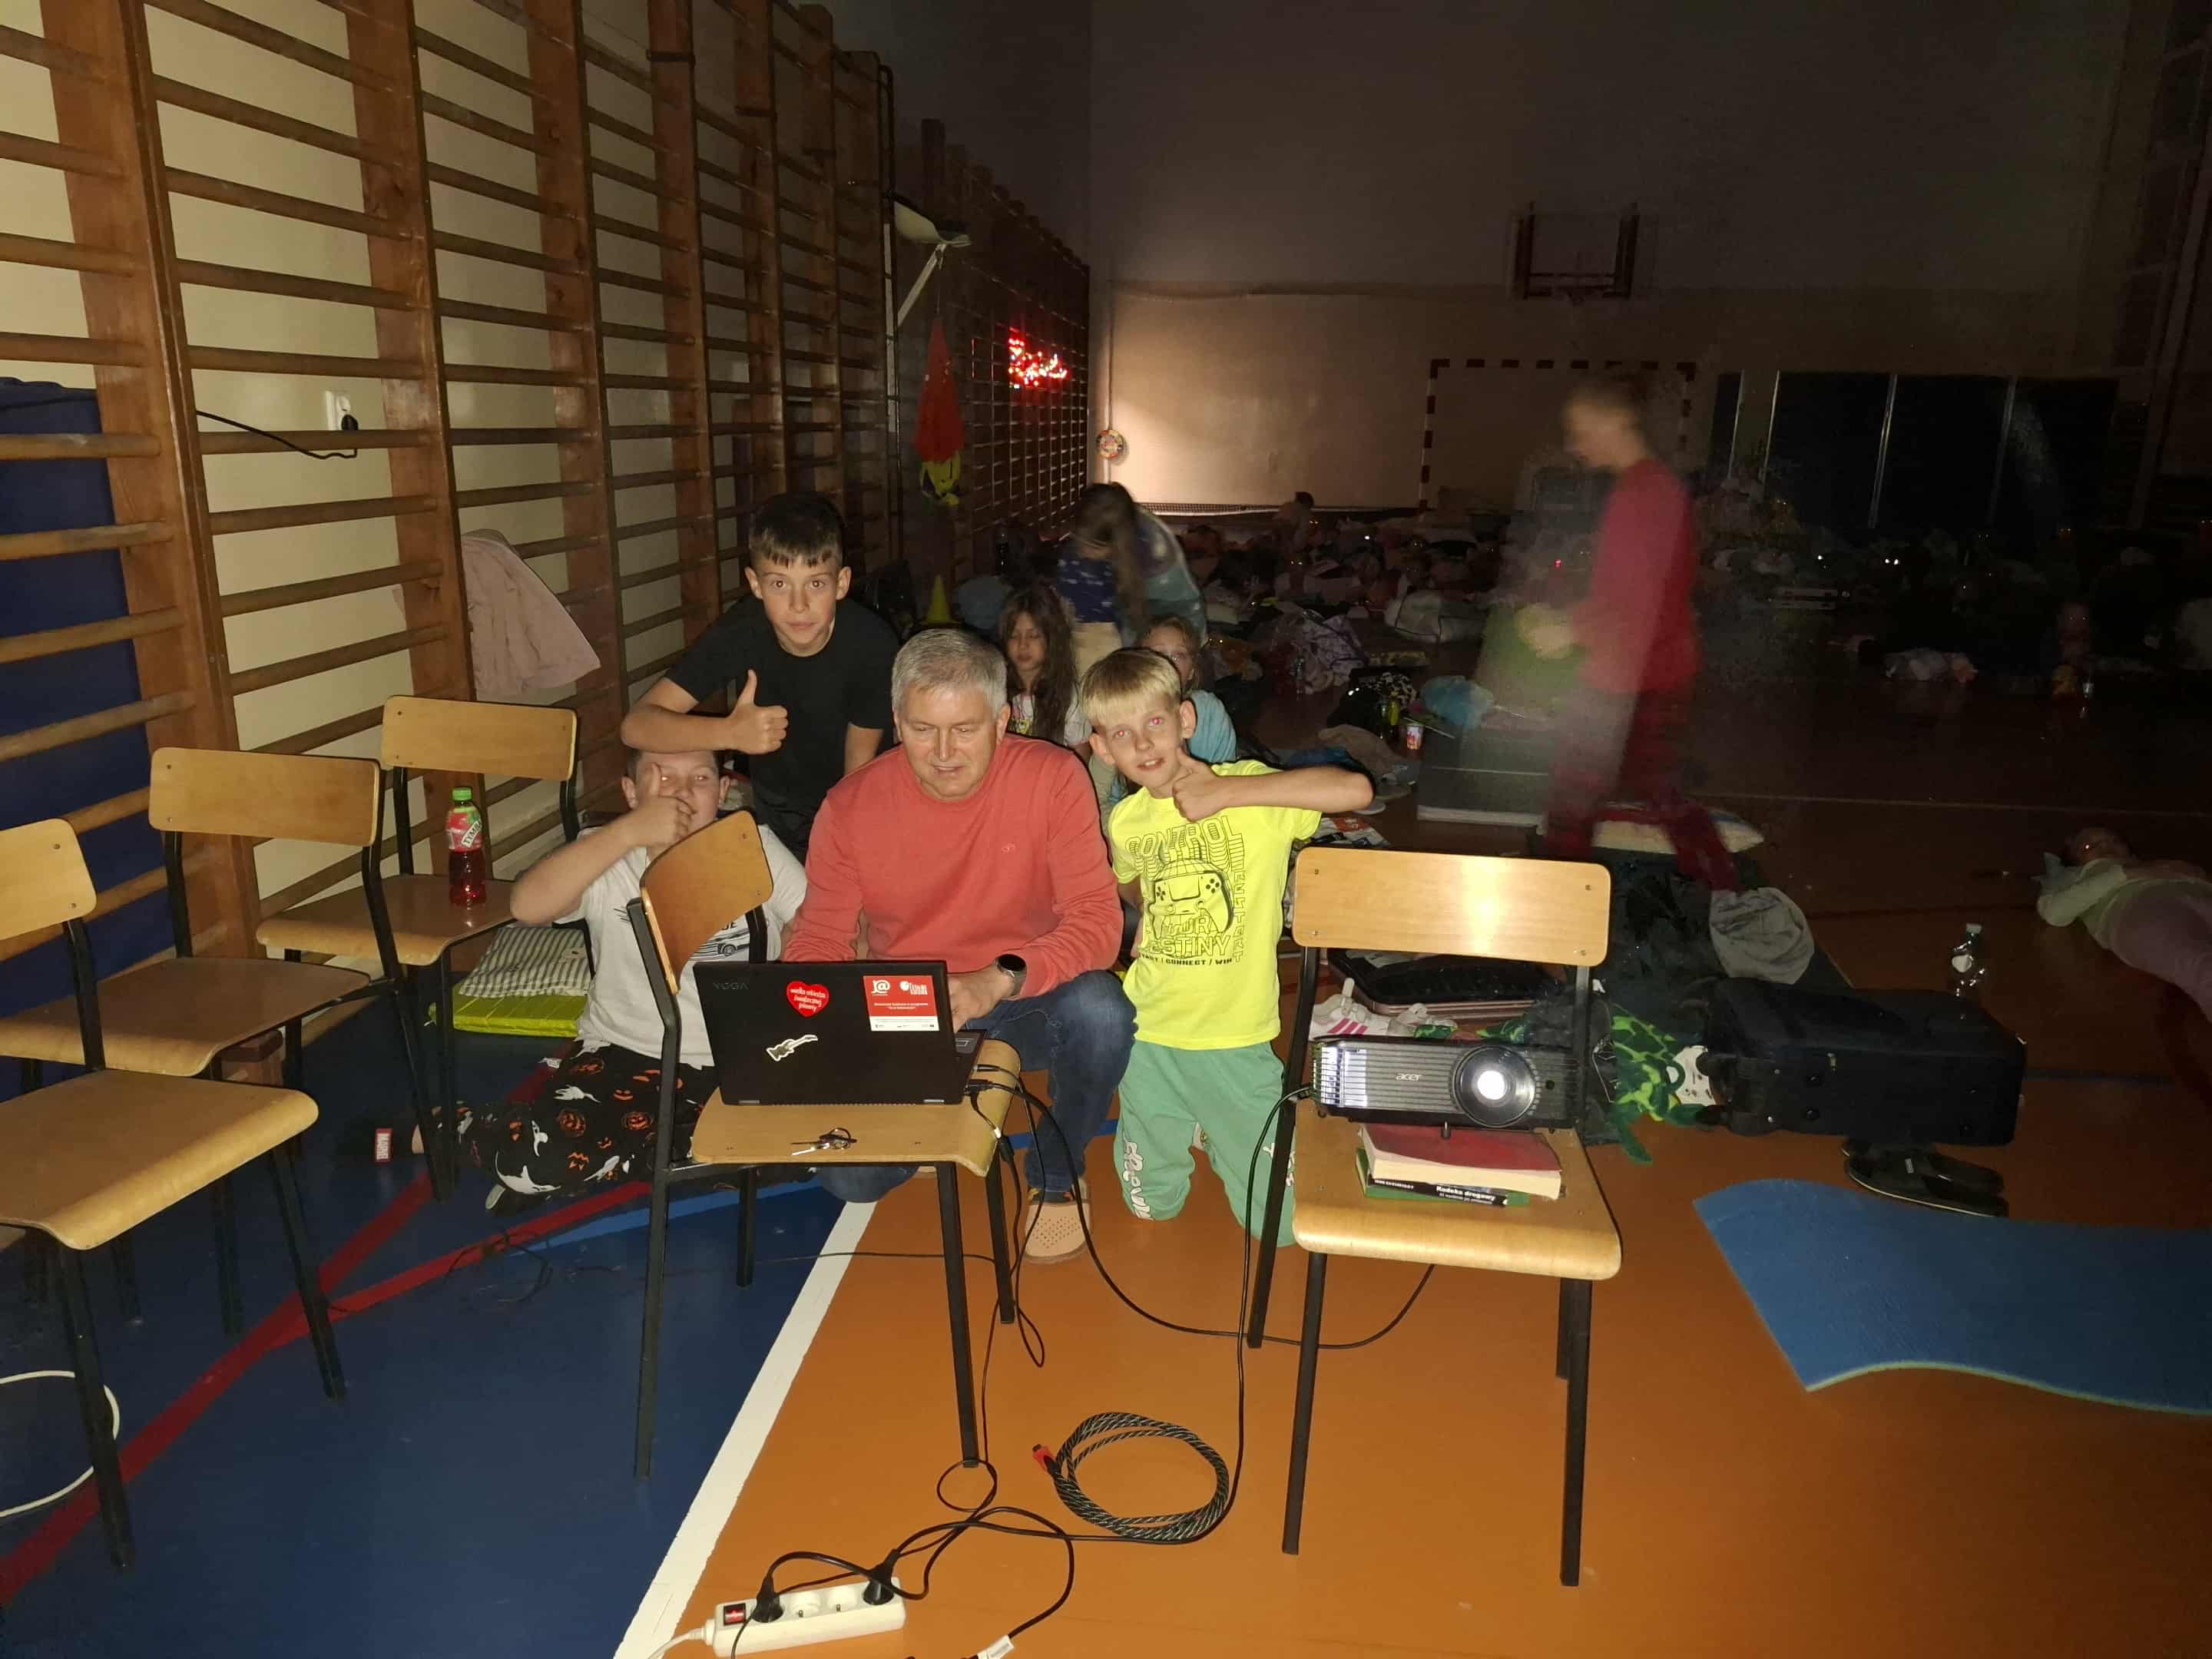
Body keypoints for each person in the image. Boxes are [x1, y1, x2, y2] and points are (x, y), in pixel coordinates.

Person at [783, 628, 1135, 1261]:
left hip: (1022, 994)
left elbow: (1097, 922)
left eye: (965, 730)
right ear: (897, 722)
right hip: (910, 1010)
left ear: (1001, 721)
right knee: (850, 1179)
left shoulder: (1054, 778)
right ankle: (939, 1102)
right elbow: (820, 937)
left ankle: (1058, 1173)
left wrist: (994, 980)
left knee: (1103, 1012)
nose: (944, 753)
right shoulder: (850, 806)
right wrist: (817, 1013)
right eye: (923, 730)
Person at [1081, 648, 1371, 1240]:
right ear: (1103, 749)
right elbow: (1129, 879)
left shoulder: (1250, 789)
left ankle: (1217, 1126)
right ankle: (1197, 1122)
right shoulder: (1127, 820)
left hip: (1233, 1031)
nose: (1143, 743)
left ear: (1185, 719)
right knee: (1150, 1207)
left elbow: (1355, 790)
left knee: (1278, 1227)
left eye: (1155, 721)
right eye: (1122, 733)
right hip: (1148, 1028)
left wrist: (1227, 795)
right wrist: (1150, 916)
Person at [461, 749, 830, 1209]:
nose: (682, 792)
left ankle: (614, 1158)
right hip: (625, 1052)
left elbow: (826, 930)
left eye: (700, 778)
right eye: (663, 777)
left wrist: (801, 945)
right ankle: (465, 1127)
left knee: (819, 1150)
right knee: (536, 1163)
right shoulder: (607, 852)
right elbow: (527, 907)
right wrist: (628, 832)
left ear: (722, 791)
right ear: (631, 792)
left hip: (742, 1060)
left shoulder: (753, 844)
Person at [1522, 372, 1736, 891]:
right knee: (1650, 792)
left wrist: (1568, 630)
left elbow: (1638, 599)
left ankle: (1563, 901)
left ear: (1616, 421)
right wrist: (1571, 619)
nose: (1575, 445)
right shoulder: (1647, 487)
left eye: (1581, 430)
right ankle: (1723, 888)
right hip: (1647, 666)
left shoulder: (1645, 493)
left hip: (1636, 673)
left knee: (1579, 798)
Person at [619, 492, 895, 860]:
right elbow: (635, 726)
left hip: (858, 794)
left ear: (841, 583)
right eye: (780, 584)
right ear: (755, 584)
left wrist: (845, 853)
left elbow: (857, 770)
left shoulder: (872, 645)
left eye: (815, 584)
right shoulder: (743, 631)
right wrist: (729, 733)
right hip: (774, 802)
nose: (799, 606)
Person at [2040, 827, 2212, 1022]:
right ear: (2074, 860)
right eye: (2089, 846)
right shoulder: (2074, 875)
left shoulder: (2161, 865)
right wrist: (2130, 874)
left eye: (2115, 841)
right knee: (2199, 964)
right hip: (2139, 908)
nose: (2105, 847)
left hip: (2196, 893)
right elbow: (2054, 912)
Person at [1058, 482, 1207, 674]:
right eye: (1080, 539)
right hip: (1134, 624)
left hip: (1177, 629)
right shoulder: (1100, 535)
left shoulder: (1155, 552)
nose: (1083, 551)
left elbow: (1136, 624)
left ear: (1119, 543)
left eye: (1093, 547)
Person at [1000, 583, 1090, 750]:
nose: (1023, 645)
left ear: (1051, 640)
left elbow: (1080, 751)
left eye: (1033, 636)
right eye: (1014, 636)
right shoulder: (997, 690)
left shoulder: (1068, 697)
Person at [1137, 615, 1235, 765]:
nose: (1168, 663)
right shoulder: (1121, 709)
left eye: (1179, 655)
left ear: (1191, 672)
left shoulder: (1208, 712)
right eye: (1158, 654)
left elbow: (1228, 773)